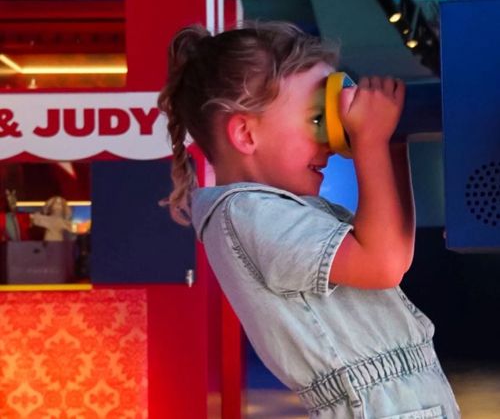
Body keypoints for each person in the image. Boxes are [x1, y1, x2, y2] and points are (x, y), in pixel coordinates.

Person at [158, 22, 460, 418]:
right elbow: (382, 263)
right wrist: (370, 141)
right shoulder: (246, 214)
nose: (330, 140)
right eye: (318, 120)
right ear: (246, 134)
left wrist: (390, 143)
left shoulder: (274, 210)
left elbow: (393, 258)